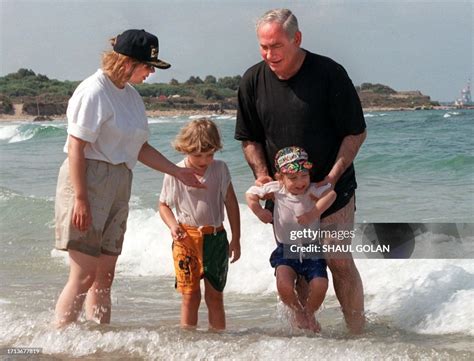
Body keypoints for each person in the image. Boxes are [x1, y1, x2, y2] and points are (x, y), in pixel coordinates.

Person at [54, 29, 204, 327]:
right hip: (89, 179)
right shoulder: (94, 90)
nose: (150, 73)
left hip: (121, 180)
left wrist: (176, 171)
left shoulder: (132, 96)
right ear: (126, 62)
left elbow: (139, 147)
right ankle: (59, 340)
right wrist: (81, 198)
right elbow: (76, 146)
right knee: (83, 274)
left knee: (104, 277)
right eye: (148, 66)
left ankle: (99, 341)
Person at [234, 9, 367, 333]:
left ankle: (359, 334)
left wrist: (332, 176)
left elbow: (355, 132)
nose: (269, 54)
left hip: (330, 189)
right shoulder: (253, 80)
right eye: (263, 47)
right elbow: (249, 137)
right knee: (299, 265)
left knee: (337, 260)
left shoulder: (329, 74)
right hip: (284, 195)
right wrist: (262, 176)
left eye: (276, 46)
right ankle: (306, 339)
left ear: (297, 39)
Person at [159, 118, 241, 330]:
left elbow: (231, 204)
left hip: (216, 238)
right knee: (190, 296)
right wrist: (172, 225)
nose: (204, 160)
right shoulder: (175, 172)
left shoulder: (220, 169)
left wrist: (236, 239)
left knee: (215, 296)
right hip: (186, 240)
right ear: (185, 149)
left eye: (210, 154)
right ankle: (189, 344)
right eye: (197, 155)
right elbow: (163, 206)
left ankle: (218, 341)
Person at [246, 146, 336, 332]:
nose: (300, 182)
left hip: (311, 248)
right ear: (280, 177)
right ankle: (297, 311)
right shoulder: (277, 190)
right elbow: (250, 195)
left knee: (321, 284)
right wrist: (259, 211)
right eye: (293, 178)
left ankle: (309, 313)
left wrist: (314, 212)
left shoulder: (312, 189)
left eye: (304, 175)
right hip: (286, 249)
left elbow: (331, 194)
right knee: (284, 285)